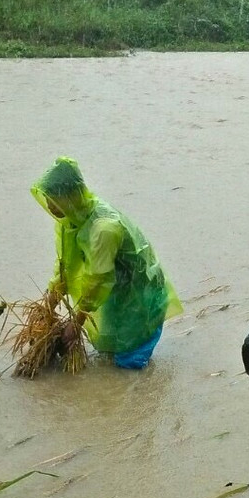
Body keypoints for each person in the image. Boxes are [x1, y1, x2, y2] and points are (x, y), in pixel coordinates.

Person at [31, 157, 183, 369]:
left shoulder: (104, 228)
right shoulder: (70, 222)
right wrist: (49, 304)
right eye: (48, 200)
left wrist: (77, 322)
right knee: (110, 345)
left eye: (55, 199)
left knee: (129, 360)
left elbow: (99, 279)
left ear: (72, 196)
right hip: (114, 291)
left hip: (138, 291)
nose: (50, 206)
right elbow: (65, 265)